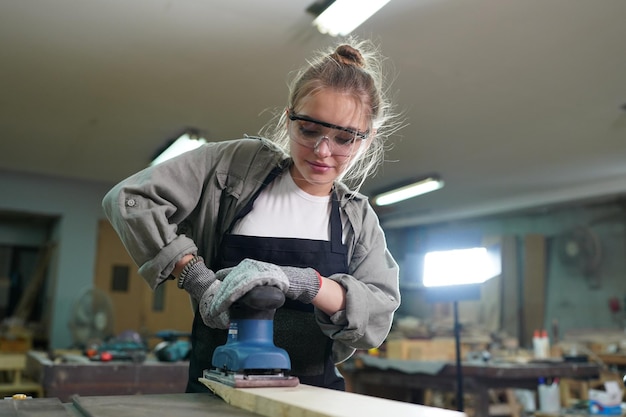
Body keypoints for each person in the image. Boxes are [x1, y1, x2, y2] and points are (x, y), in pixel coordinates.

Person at [102, 37, 402, 392]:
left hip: (312, 397)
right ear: (288, 118)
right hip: (215, 391)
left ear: (367, 138)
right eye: (309, 129)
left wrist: (303, 283)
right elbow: (131, 199)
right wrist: (199, 280)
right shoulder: (234, 169)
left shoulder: (358, 220)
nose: (323, 151)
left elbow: (377, 314)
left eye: (345, 138)